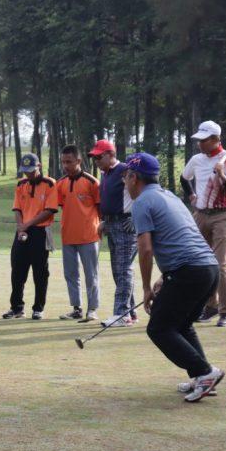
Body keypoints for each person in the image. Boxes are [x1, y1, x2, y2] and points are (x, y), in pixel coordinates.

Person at [123, 152, 225, 402]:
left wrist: (146, 287)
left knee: (158, 328)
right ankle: (202, 377)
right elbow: (182, 237)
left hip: (190, 271)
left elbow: (145, 249)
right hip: (208, 269)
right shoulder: (170, 196)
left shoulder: (141, 203)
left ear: (134, 177)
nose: (124, 181)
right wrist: (165, 276)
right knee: (181, 325)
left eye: (126, 176)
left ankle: (205, 372)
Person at [181, 121, 226, 327]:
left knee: (219, 264)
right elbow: (184, 178)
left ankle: (225, 311)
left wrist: (223, 176)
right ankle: (210, 306)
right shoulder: (196, 159)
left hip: (222, 215)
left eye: (204, 140)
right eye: (199, 140)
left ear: (216, 139)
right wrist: (191, 194)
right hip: (200, 214)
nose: (200, 144)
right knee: (201, 263)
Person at [89, 139, 139, 327]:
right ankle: (130, 313)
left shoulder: (125, 170)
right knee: (118, 271)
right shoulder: (106, 173)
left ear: (110, 154)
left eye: (99, 157)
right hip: (111, 224)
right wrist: (104, 221)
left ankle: (121, 314)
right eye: (94, 158)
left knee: (124, 270)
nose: (96, 161)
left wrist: (135, 217)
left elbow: (142, 193)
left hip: (126, 224)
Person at [4, 153, 58, 320]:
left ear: (39, 166)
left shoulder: (50, 183)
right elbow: (17, 209)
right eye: (25, 171)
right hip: (22, 231)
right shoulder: (21, 184)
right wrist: (21, 228)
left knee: (40, 272)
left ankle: (38, 308)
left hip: (41, 231)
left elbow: (49, 210)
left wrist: (27, 225)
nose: (28, 174)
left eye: (31, 170)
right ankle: (16, 308)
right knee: (17, 270)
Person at [55, 145, 101, 321]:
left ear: (79, 161)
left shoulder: (92, 182)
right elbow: (60, 207)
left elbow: (100, 209)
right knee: (71, 274)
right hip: (68, 236)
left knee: (91, 275)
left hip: (89, 236)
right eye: (63, 162)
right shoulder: (60, 183)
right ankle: (76, 308)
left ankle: (92, 309)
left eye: (69, 162)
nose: (65, 165)